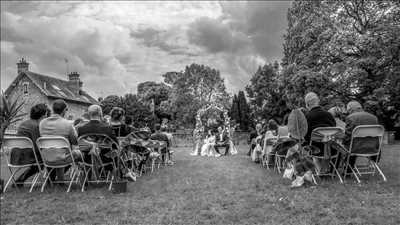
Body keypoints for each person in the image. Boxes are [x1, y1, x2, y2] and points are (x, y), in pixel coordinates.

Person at [77, 104, 136, 181]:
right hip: (105, 159)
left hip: (86, 159)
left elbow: (80, 144)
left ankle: (88, 178)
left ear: (89, 114)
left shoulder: (81, 129)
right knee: (115, 153)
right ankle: (120, 176)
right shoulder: (107, 128)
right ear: (100, 113)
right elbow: (116, 145)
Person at [39, 99, 82, 181]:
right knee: (79, 154)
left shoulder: (42, 123)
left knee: (60, 152)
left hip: (45, 158)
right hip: (62, 158)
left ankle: (58, 179)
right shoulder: (67, 124)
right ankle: (85, 180)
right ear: (64, 110)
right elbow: (75, 142)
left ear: (53, 109)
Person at [13, 104, 50, 186]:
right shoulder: (36, 126)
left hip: (16, 156)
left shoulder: (23, 123)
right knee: (49, 158)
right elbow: (38, 146)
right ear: (43, 115)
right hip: (28, 157)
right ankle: (52, 180)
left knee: (43, 159)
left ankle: (21, 180)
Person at [343, 101, 380, 169]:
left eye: (348, 111)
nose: (348, 112)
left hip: (356, 148)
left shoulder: (350, 117)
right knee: (354, 142)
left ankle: (348, 169)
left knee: (345, 145)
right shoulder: (374, 117)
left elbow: (348, 135)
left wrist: (342, 142)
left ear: (350, 109)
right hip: (373, 148)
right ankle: (374, 162)